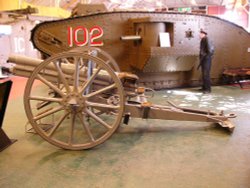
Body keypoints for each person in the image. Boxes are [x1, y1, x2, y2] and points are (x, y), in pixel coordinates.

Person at [198, 29, 214, 94]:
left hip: (206, 59)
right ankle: (204, 88)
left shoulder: (206, 39)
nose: (199, 35)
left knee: (206, 74)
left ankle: (208, 89)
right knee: (204, 74)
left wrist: (205, 56)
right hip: (204, 59)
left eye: (200, 34)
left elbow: (210, 50)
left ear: (203, 34)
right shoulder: (203, 39)